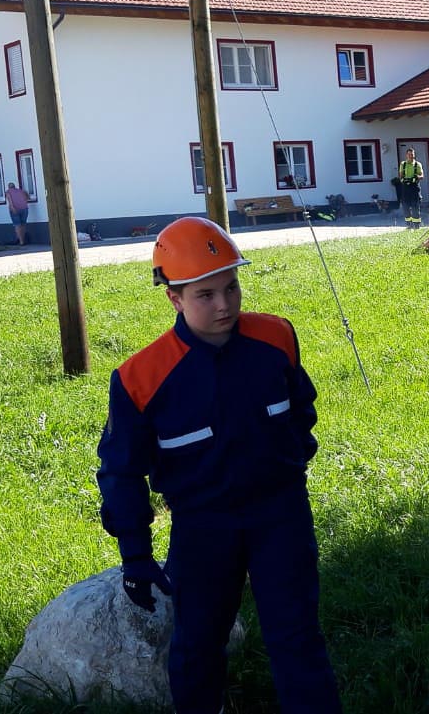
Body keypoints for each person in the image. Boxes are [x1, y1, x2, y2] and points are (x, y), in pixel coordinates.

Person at [95, 216, 342, 714]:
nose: (225, 304)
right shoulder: (141, 378)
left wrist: (288, 463)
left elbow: (302, 410)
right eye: (205, 295)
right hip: (203, 526)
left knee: (296, 637)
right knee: (199, 643)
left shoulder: (276, 339)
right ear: (174, 298)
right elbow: (121, 471)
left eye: (231, 287)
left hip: (281, 516)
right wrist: (135, 554)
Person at [397, 148, 425, 228]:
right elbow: (401, 175)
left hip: (414, 188)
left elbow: (422, 176)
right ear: (406, 155)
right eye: (409, 154)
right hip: (405, 188)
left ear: (414, 155)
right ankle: (409, 225)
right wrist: (403, 179)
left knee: (415, 206)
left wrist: (417, 177)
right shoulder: (403, 164)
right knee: (405, 206)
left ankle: (416, 225)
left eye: (412, 154)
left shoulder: (417, 164)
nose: (410, 156)